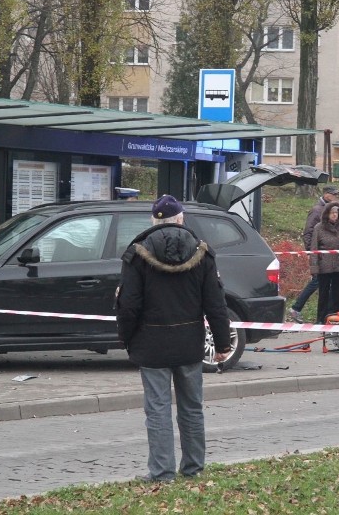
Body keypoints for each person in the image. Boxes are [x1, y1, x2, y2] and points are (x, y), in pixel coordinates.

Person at [116, 194, 232, 482]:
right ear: (181, 220)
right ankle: (193, 468)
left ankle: (162, 472)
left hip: (151, 344)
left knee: (157, 410)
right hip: (189, 343)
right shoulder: (203, 254)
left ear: (154, 220)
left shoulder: (137, 253)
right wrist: (222, 343)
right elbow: (216, 303)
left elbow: (128, 304)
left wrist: (126, 338)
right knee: (192, 408)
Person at [288, 185, 339, 322]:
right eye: (334, 194)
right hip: (322, 261)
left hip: (338, 264)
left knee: (335, 291)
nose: (336, 197)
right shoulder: (317, 211)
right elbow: (308, 233)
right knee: (320, 286)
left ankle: (333, 315)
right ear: (327, 194)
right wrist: (313, 254)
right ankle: (300, 309)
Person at [309, 202, 339, 323]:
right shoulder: (318, 227)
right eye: (332, 213)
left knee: (337, 293)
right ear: (327, 214)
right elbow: (314, 248)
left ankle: (337, 317)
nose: (334, 215)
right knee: (323, 293)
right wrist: (314, 268)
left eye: (336, 213)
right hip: (324, 265)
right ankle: (321, 319)